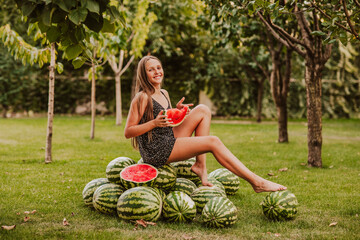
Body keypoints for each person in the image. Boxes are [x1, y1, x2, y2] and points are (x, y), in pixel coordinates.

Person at [124, 55, 286, 193]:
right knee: (213, 141)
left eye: (158, 67)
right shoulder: (142, 97)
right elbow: (128, 131)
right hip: (156, 151)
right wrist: (153, 123)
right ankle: (257, 182)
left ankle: (200, 165)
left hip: (168, 138)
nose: (156, 72)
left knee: (203, 110)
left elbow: (165, 121)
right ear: (143, 74)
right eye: (150, 69)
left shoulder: (164, 93)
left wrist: (178, 112)